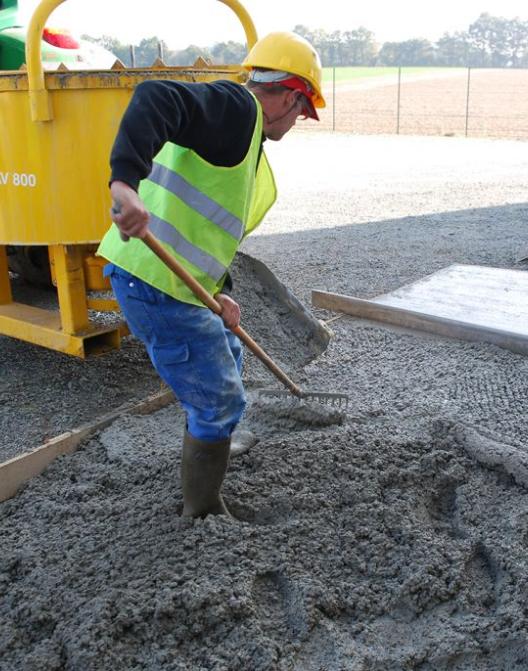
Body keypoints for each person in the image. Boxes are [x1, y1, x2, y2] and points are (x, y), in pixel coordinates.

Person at [97, 32, 325, 519]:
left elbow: (203, 232)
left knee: (231, 349)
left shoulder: (247, 146)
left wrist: (219, 295)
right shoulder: (237, 108)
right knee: (218, 394)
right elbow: (155, 96)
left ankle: (217, 430)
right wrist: (124, 184)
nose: (299, 122)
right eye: (303, 110)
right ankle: (201, 510)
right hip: (152, 281)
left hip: (180, 284)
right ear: (289, 95)